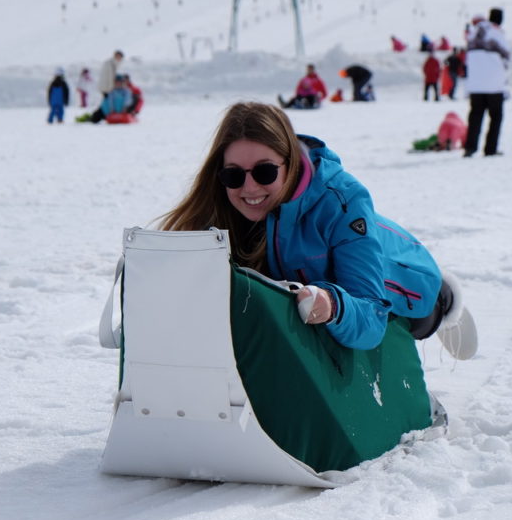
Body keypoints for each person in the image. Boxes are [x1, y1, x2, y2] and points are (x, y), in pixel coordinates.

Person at [158, 102, 458, 351]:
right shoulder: (221, 202)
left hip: (405, 286)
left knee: (407, 319)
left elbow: (370, 320)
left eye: (264, 172)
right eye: (233, 175)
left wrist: (333, 304)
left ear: (290, 164)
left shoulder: (343, 199)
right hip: (319, 293)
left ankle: (449, 300)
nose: (249, 187)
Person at [464, 8, 509, 157]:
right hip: (494, 84)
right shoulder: (498, 34)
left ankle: (470, 148)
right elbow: (506, 58)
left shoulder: (473, 33)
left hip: (475, 84)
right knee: (496, 117)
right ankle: (490, 149)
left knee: (475, 116)